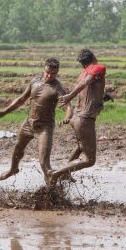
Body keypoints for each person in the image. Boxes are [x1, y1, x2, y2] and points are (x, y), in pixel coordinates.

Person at [0, 58, 72, 185]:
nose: (49, 75)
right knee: (18, 148)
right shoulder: (35, 81)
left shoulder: (57, 88)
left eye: (53, 74)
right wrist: (4, 112)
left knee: (43, 162)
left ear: (57, 73)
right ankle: (13, 169)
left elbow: (67, 106)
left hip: (45, 128)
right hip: (29, 123)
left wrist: (67, 117)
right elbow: (21, 99)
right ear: (44, 69)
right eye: (47, 72)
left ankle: (50, 191)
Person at [49, 48, 106, 186]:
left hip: (76, 118)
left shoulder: (82, 74)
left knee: (81, 146)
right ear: (93, 57)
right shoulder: (98, 68)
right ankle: (57, 174)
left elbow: (89, 90)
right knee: (89, 160)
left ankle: (65, 174)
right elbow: (86, 83)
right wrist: (70, 95)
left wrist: (103, 97)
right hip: (84, 120)